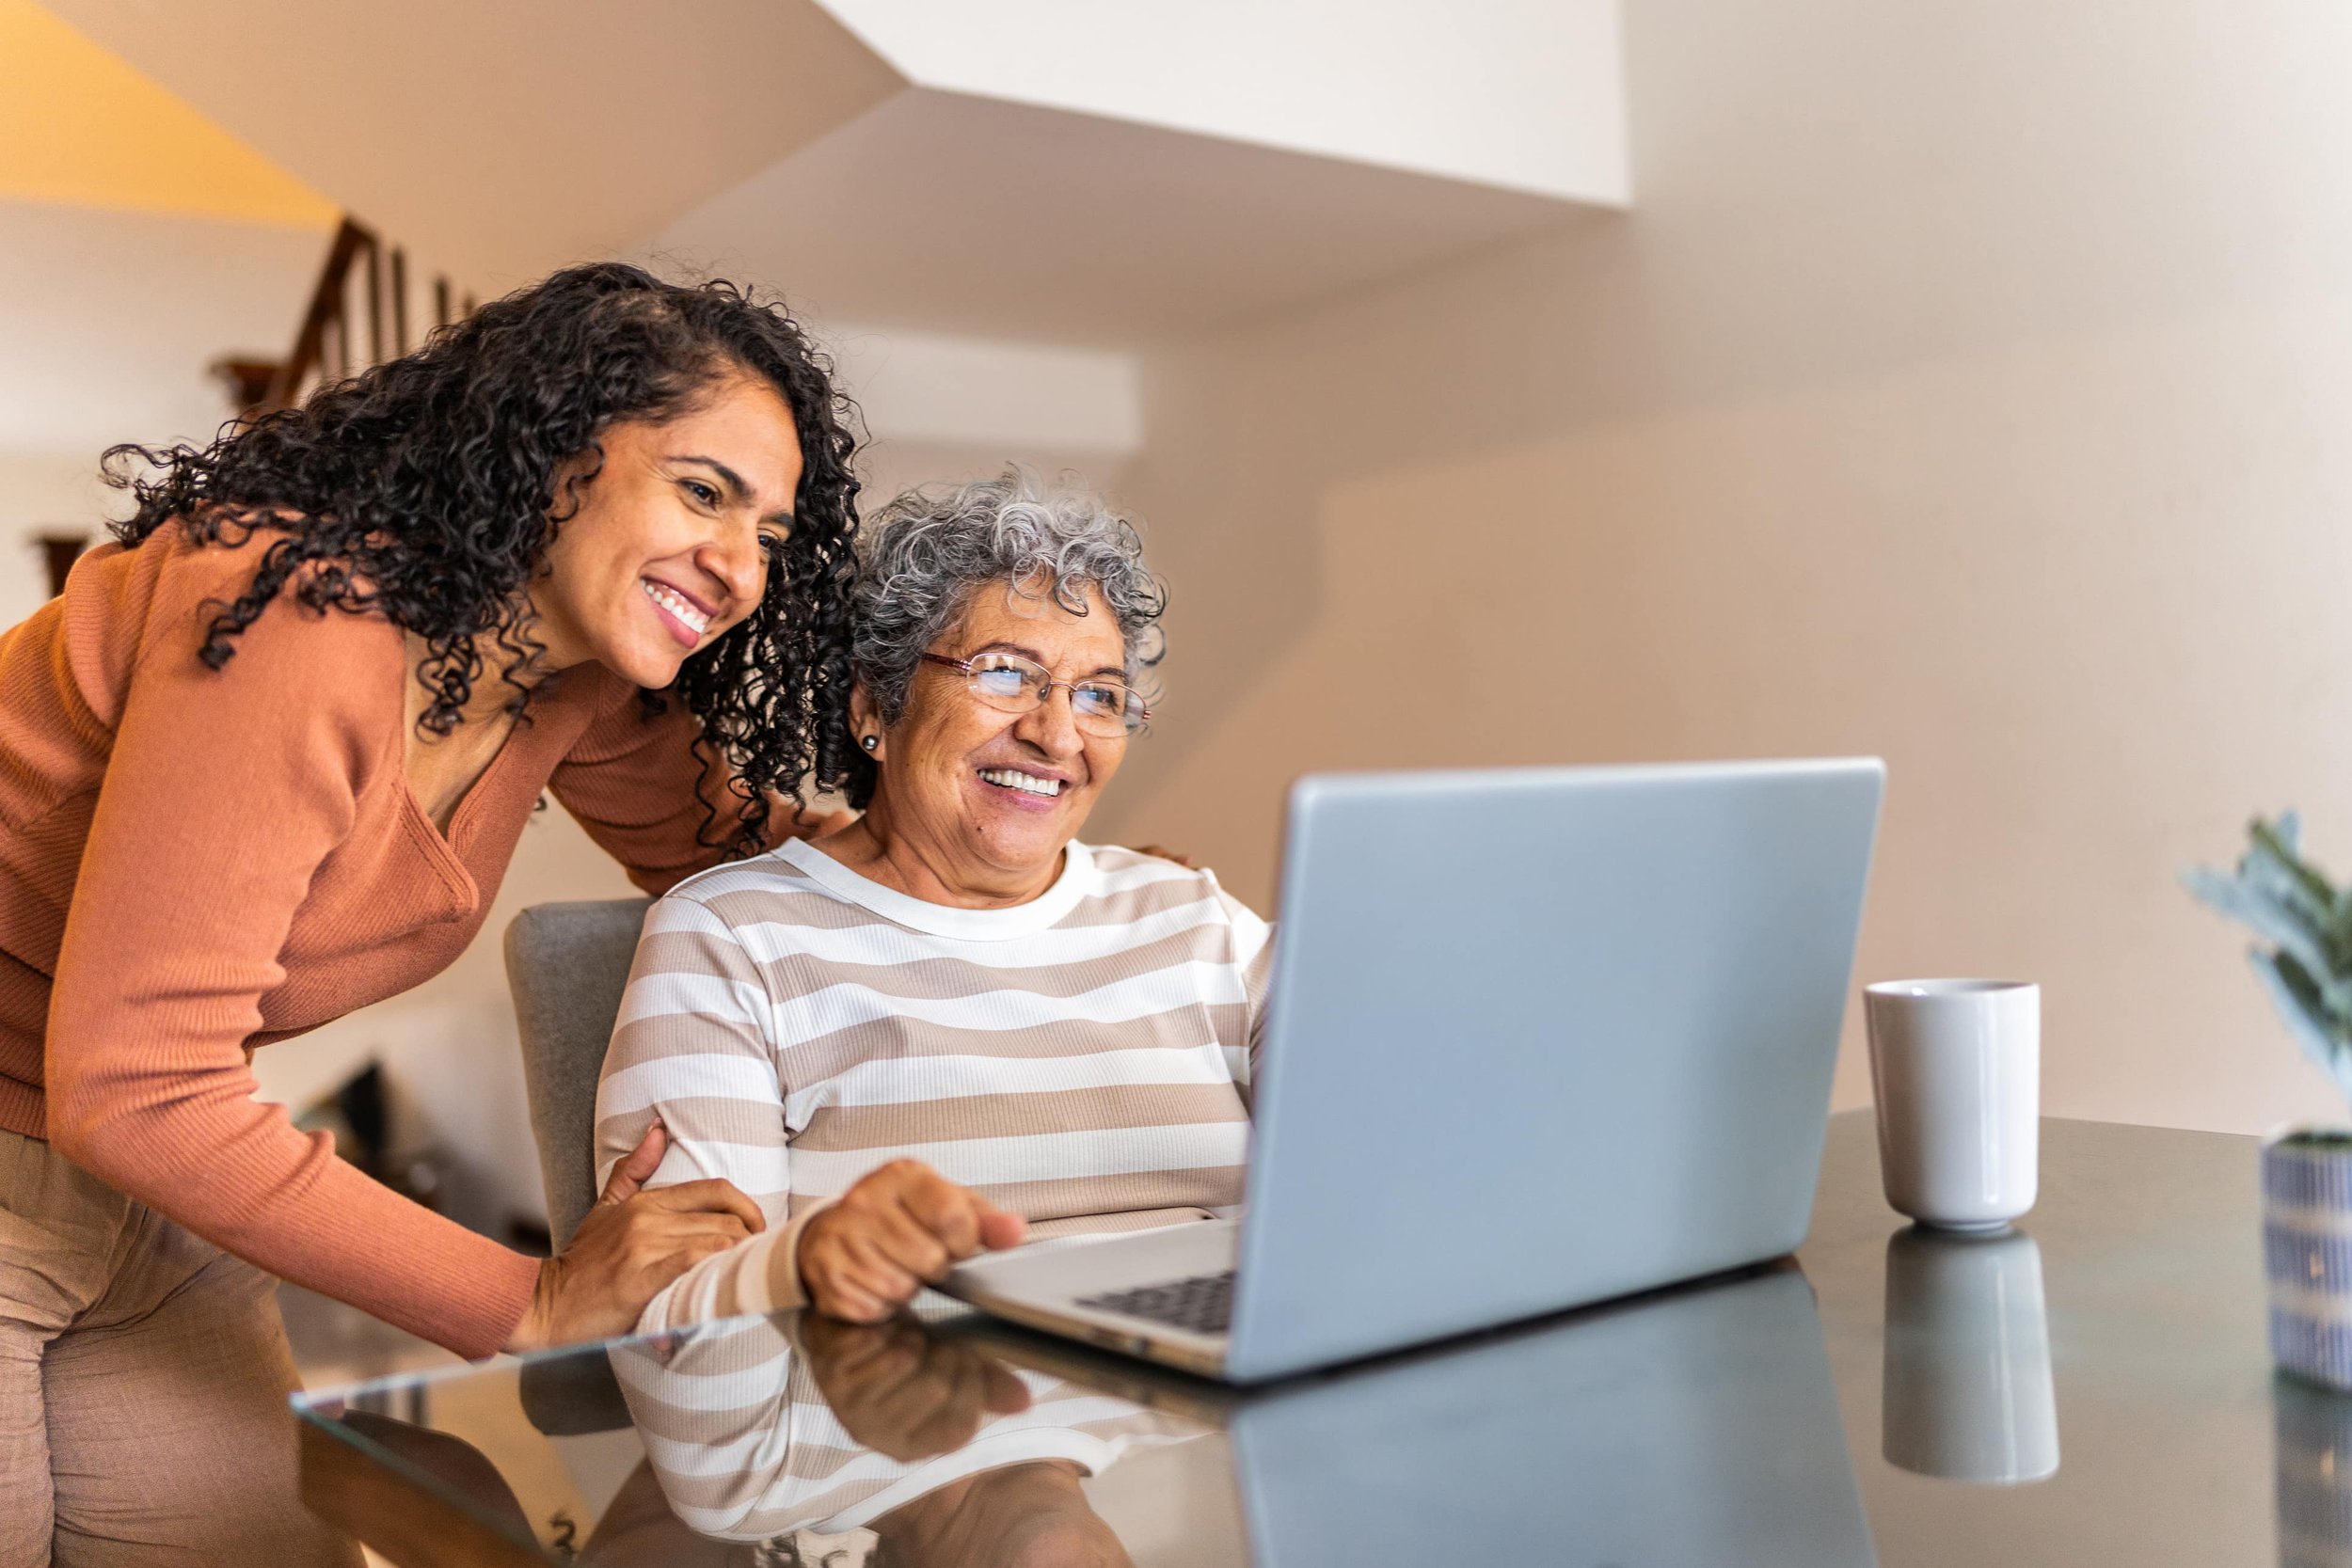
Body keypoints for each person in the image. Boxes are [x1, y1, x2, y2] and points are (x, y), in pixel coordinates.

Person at [0, 262, 863, 1565]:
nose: (742, 566)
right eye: (705, 490)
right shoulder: (298, 607)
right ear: (558, 453)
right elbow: (136, 1080)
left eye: (773, 536)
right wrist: (534, 1296)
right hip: (91, 1124)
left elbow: (754, 859)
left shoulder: (559, 680)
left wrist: (1056, 875)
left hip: (132, 1195)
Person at [595, 466, 1270, 1332]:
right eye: (1002, 673)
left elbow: (1404, 1145)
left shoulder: (1194, 916)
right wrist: (796, 1265)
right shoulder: (731, 937)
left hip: (1216, 1419)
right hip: (912, 1423)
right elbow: (675, 1321)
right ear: (876, 705)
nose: (1057, 733)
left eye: (1098, 693)